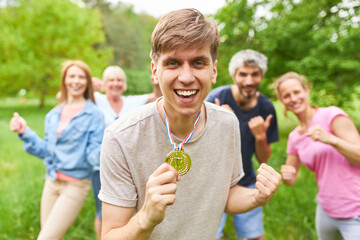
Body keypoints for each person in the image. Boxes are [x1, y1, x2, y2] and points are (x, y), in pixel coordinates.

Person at [98, 8, 281, 240]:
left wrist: (257, 196)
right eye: (173, 63)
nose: (186, 77)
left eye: (198, 63)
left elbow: (226, 195)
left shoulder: (227, 123)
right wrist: (146, 218)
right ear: (155, 71)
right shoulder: (121, 137)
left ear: (213, 70)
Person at [9, 60, 104, 239]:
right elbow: (47, 150)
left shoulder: (94, 115)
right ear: (64, 80)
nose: (76, 81)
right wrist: (25, 132)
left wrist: (113, 152)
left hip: (76, 185)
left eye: (81, 77)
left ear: (87, 82)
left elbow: (94, 154)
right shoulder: (53, 115)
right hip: (51, 182)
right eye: (72, 76)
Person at [274, 72, 360, 240]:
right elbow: (291, 179)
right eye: (287, 95)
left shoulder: (331, 115)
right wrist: (286, 175)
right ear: (282, 101)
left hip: (355, 210)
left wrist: (331, 140)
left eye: (297, 92)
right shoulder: (294, 137)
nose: (293, 98)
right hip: (325, 211)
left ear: (306, 91)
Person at [206, 49, 279, 240]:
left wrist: (261, 137)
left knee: (255, 237)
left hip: (246, 181)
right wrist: (220, 123)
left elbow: (264, 159)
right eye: (243, 74)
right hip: (212, 184)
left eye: (255, 74)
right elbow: (197, 146)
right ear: (234, 75)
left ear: (262, 75)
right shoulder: (215, 99)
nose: (248, 81)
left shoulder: (266, 107)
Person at [91, 66, 162, 239]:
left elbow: (158, 98)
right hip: (100, 167)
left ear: (124, 84)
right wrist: (93, 84)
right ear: (104, 83)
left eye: (119, 80)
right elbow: (62, 95)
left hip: (126, 166)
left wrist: (156, 83)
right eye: (111, 80)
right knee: (102, 211)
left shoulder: (131, 102)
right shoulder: (97, 100)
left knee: (127, 210)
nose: (115, 84)